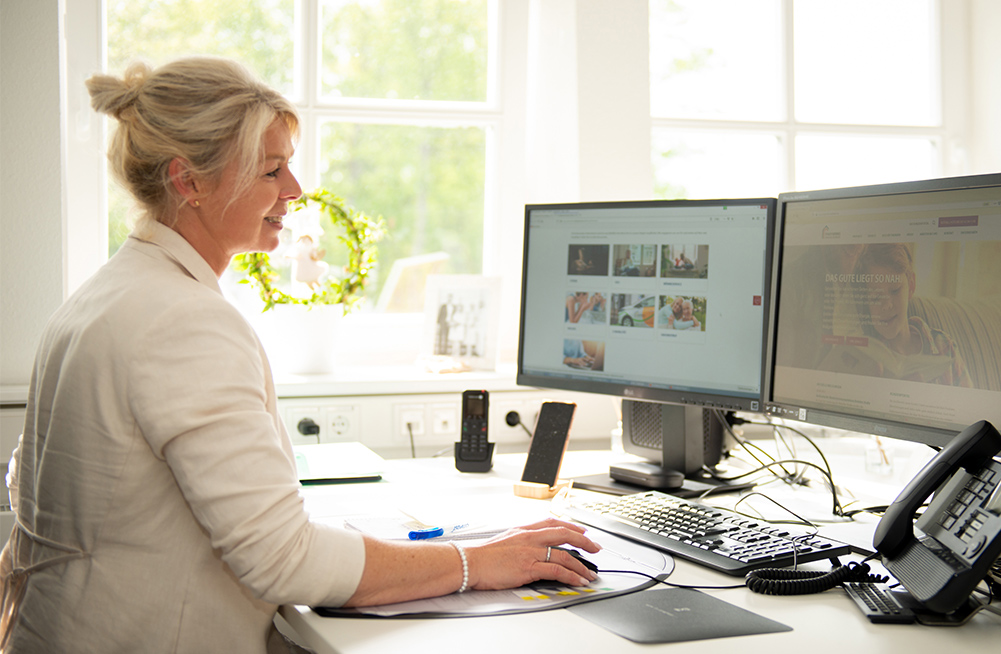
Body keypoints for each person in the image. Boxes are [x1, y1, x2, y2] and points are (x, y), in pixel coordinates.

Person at [0, 57, 598, 654]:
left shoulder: (102, 296)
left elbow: (31, 484)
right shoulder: (183, 321)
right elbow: (284, 561)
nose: (295, 190)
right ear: (190, 182)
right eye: (271, 169)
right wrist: (475, 563)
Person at [854, 243, 972, 387]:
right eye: (876, 298)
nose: (887, 305)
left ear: (911, 286)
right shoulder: (867, 358)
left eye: (895, 290)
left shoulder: (944, 345)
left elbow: (966, 397)